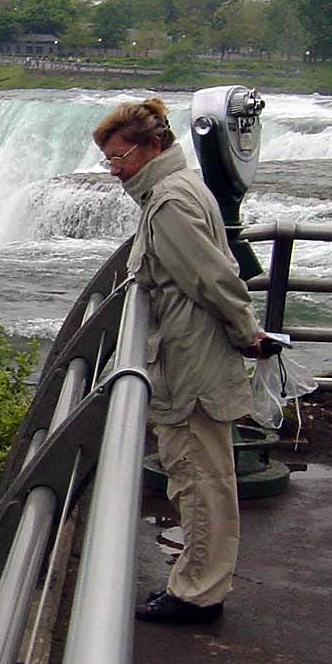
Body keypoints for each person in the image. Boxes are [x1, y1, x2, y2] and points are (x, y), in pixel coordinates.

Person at [92, 97, 268, 624]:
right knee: (203, 477)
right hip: (193, 357)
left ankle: (198, 593)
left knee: (197, 480)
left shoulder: (167, 202)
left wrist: (247, 333)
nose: (115, 170)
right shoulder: (182, 187)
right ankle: (200, 580)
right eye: (109, 160)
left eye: (120, 158)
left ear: (152, 146)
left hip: (189, 365)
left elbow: (211, 277)